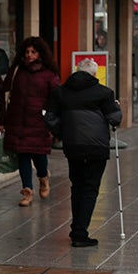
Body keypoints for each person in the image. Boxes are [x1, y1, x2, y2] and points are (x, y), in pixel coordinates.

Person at [43, 59, 122, 247]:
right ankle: (80, 232)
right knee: (90, 188)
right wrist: (116, 106)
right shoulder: (104, 93)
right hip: (97, 147)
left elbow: (49, 117)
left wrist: (62, 133)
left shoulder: (60, 92)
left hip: (73, 145)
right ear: (94, 75)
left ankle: (76, 229)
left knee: (77, 185)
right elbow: (115, 119)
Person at [0, 36, 61, 207]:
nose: (29, 55)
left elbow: (56, 99)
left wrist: (52, 122)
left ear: (40, 54)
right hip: (17, 120)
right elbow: (5, 95)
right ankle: (27, 191)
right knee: (23, 156)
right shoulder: (16, 71)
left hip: (39, 122)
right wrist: (2, 120)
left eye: (33, 52)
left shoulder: (49, 74)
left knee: (39, 155)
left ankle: (43, 178)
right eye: (26, 51)